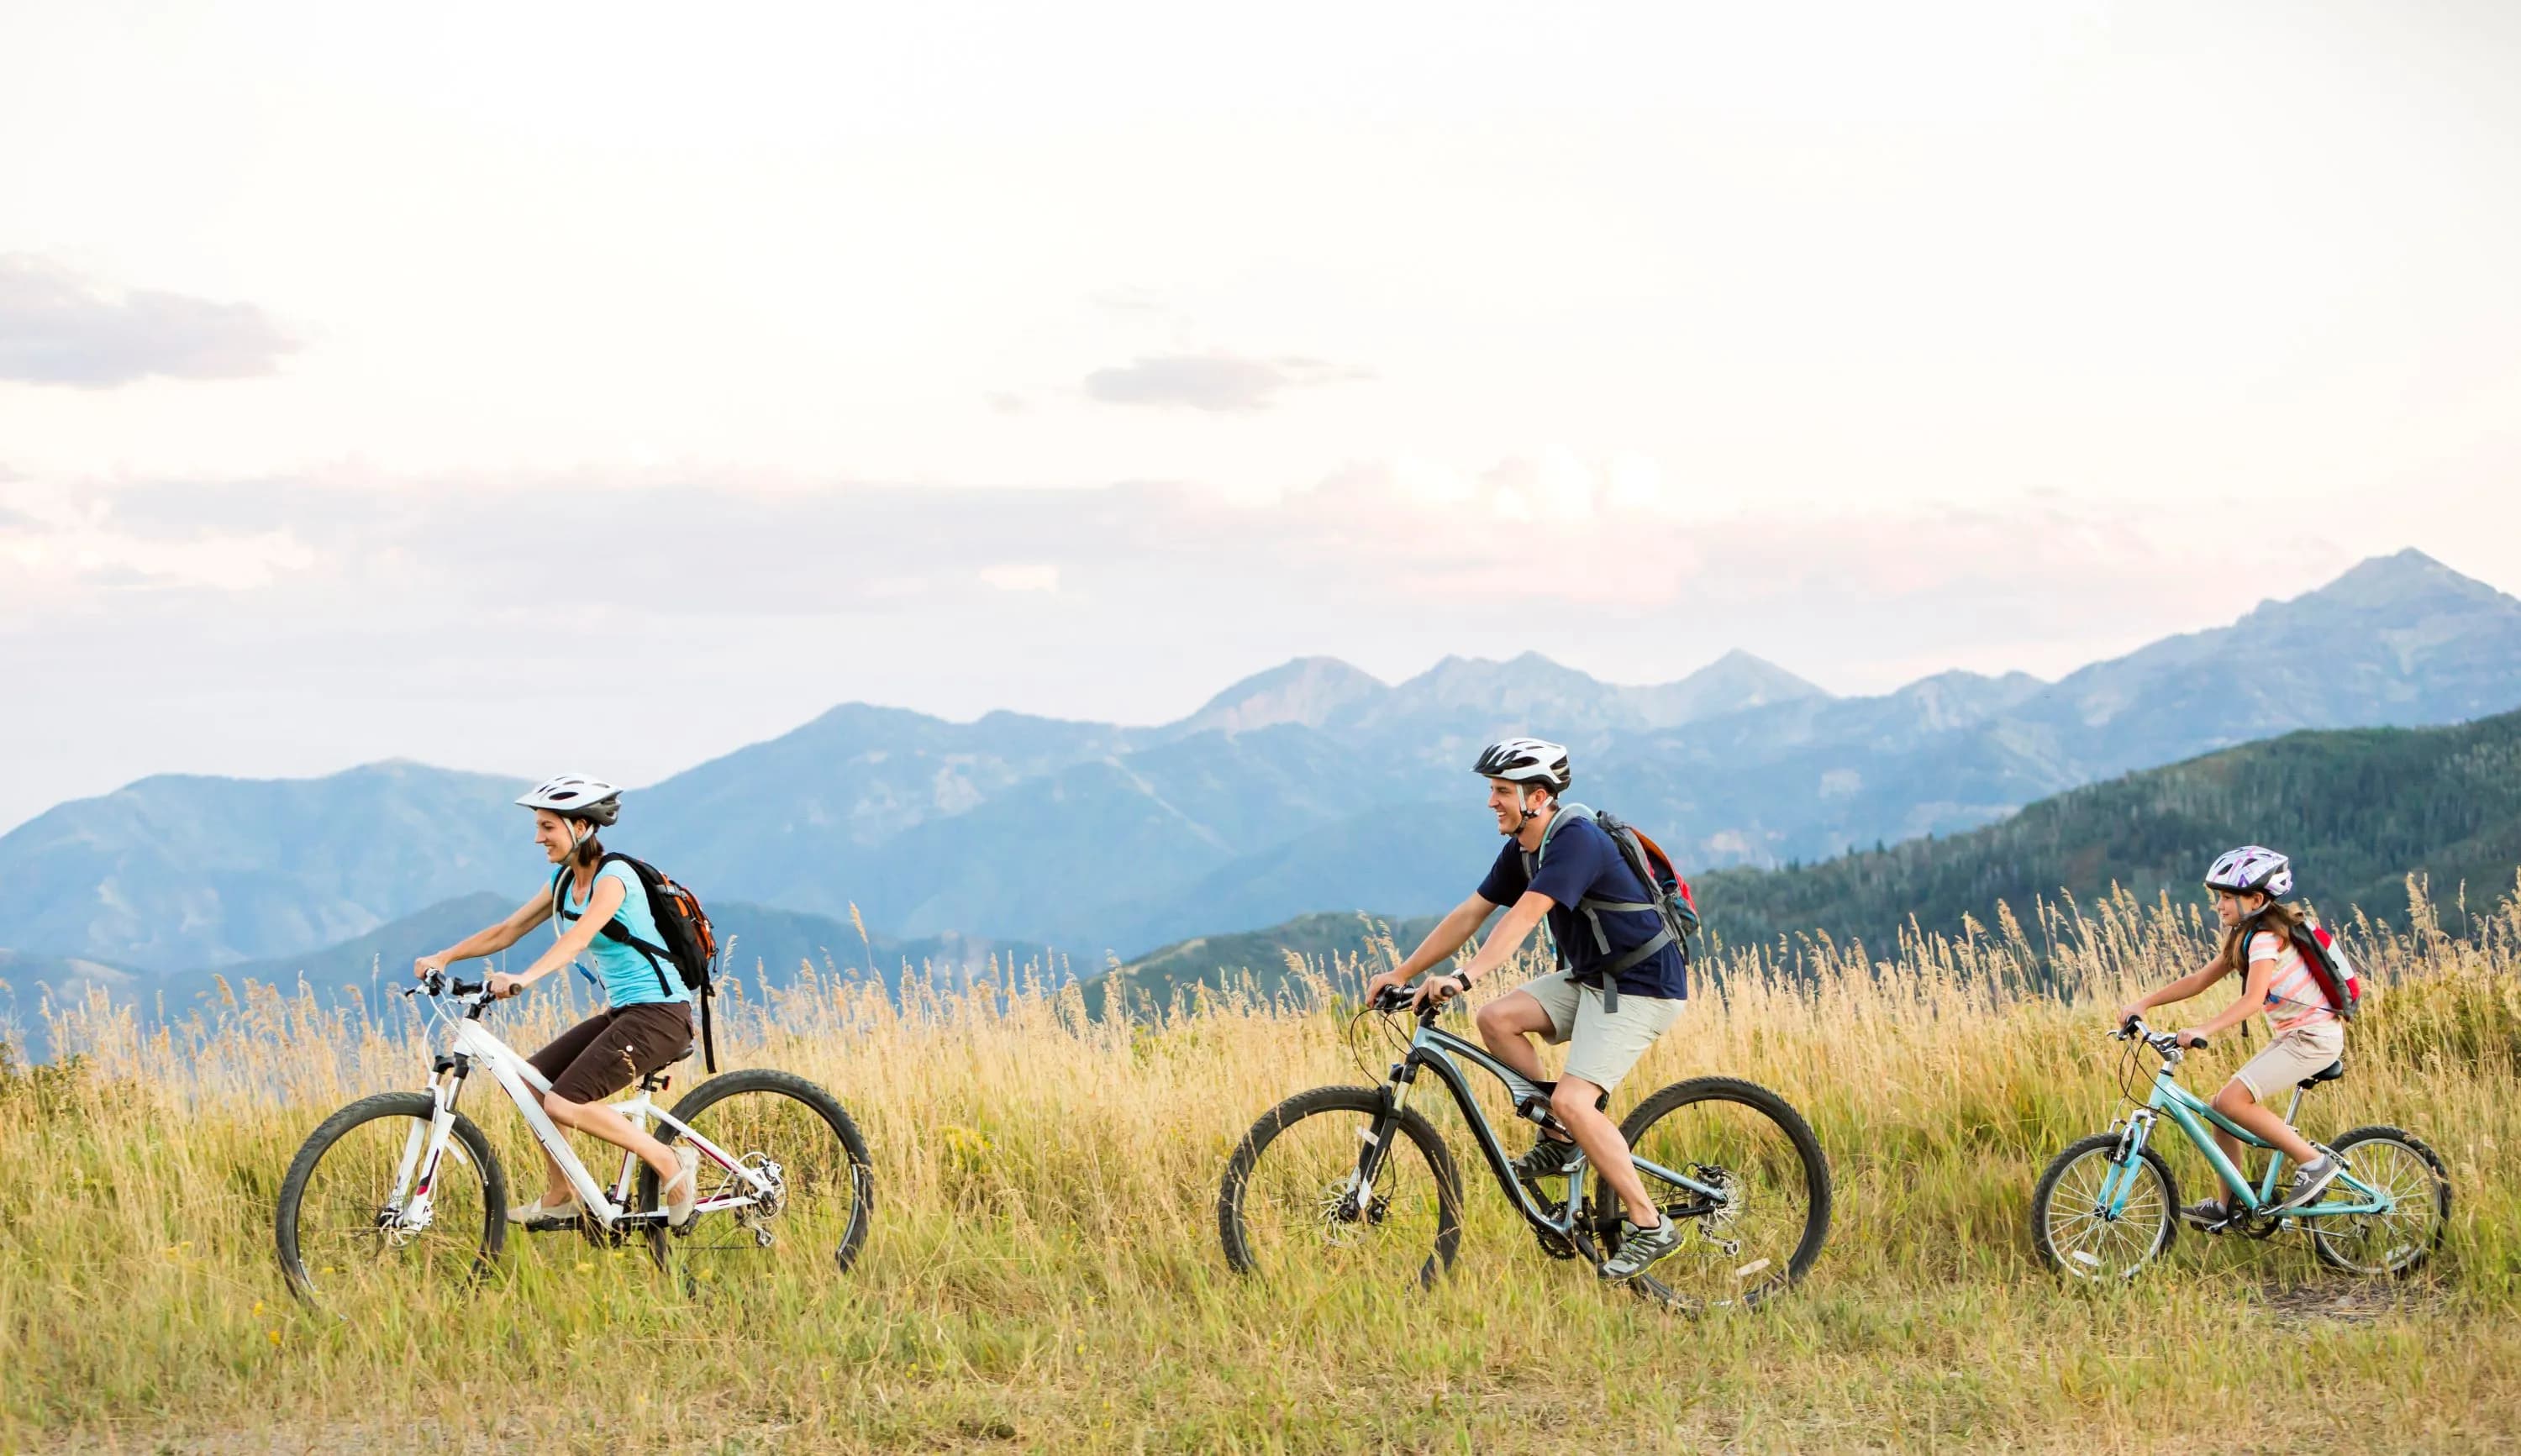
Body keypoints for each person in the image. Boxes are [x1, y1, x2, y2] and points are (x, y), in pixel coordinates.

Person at [1363, 738, 1689, 1283]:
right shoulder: (1523, 846)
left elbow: (1523, 918)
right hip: (1593, 977)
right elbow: (1472, 913)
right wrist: (1402, 971)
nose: (1491, 801)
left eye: (1500, 791)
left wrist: (1464, 976)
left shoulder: (1576, 840)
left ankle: (1650, 1221)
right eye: (1491, 790)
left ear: (1537, 796)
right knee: (1496, 1019)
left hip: (1639, 984)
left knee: (1577, 1101)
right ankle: (1562, 1138)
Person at [413, 774, 700, 1228]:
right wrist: (444, 956)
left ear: (581, 827)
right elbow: (507, 930)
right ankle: (563, 1194)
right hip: (625, 1013)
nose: (538, 837)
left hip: (661, 1015)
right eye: (539, 827)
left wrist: (525, 978)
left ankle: (670, 1163)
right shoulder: (565, 879)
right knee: (532, 1084)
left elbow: (579, 939)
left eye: (548, 827)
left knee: (564, 1104)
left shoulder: (615, 878)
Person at [2118, 845, 2345, 1226]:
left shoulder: (2266, 940)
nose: (2219, 905)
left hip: (2313, 1039)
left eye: (2226, 897)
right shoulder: (2246, 936)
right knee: (2221, 1105)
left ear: (2255, 900)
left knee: (2233, 1102)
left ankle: (2314, 1163)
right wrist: (2144, 1003)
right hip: (2295, 1037)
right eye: (2218, 897)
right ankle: (2230, 1207)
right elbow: (2198, 981)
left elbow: (2254, 999)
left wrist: (2203, 1029)